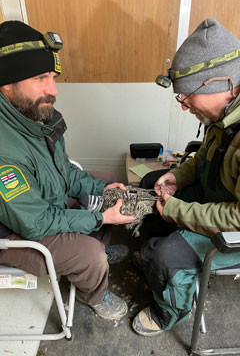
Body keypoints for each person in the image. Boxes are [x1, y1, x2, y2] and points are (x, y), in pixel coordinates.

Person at [0, 20, 136, 321]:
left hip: (42, 207)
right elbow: (34, 223)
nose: (53, 89)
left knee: (108, 183)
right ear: (6, 83)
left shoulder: (33, 116)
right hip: (14, 234)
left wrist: (102, 192)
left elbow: (66, 172)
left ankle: (94, 249)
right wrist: (99, 217)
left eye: (52, 76)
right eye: (40, 78)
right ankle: (95, 292)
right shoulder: (3, 150)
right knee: (90, 255)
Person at [132, 18, 240, 336]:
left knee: (164, 255)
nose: (185, 106)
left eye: (188, 96)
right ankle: (157, 260)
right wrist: (177, 177)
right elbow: (203, 159)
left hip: (233, 229)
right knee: (152, 185)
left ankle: (170, 311)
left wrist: (179, 211)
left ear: (223, 83)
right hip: (215, 199)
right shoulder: (223, 115)